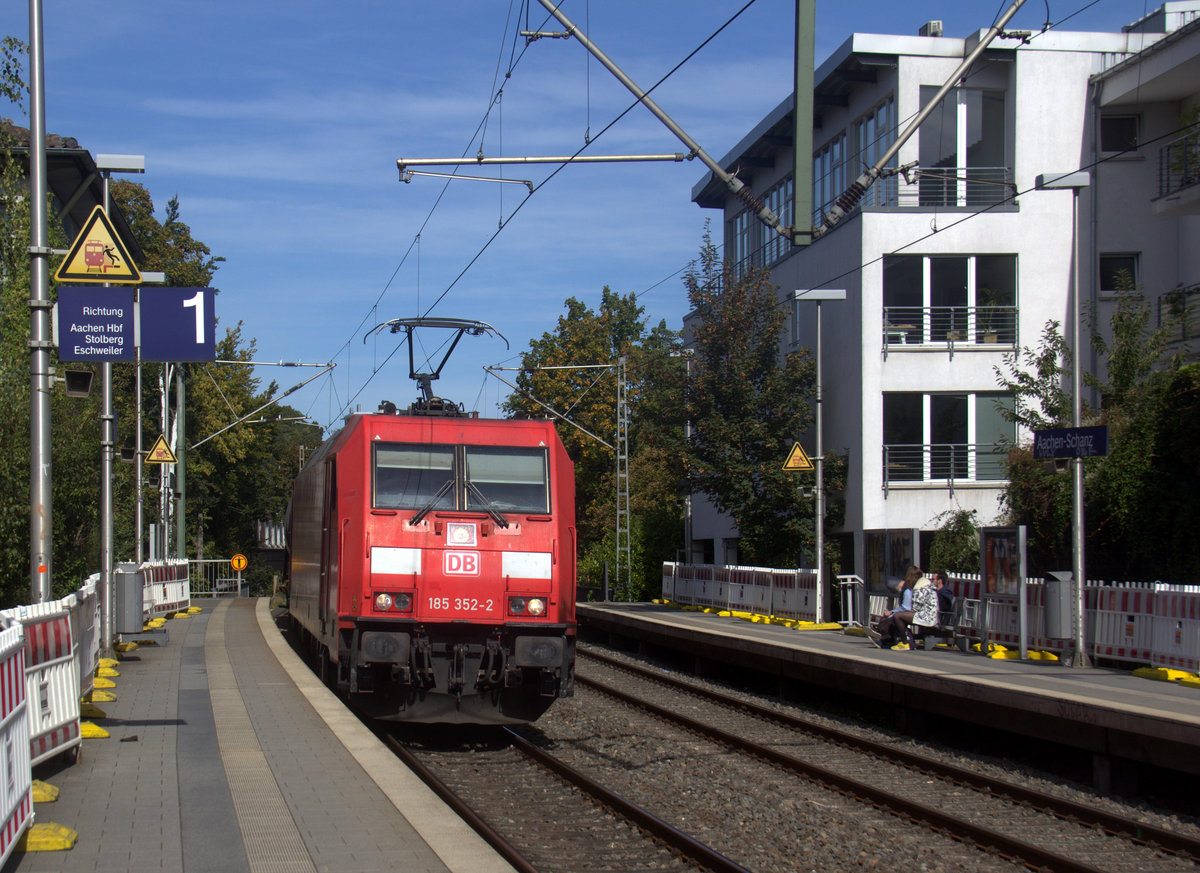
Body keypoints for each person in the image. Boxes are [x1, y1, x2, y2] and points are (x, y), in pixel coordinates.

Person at [867, 565, 922, 649]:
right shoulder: (916, 587)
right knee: (894, 616)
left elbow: (906, 607)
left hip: (914, 613)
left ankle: (881, 633)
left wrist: (892, 612)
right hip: (918, 612)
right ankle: (884, 636)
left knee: (894, 617)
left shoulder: (907, 589)